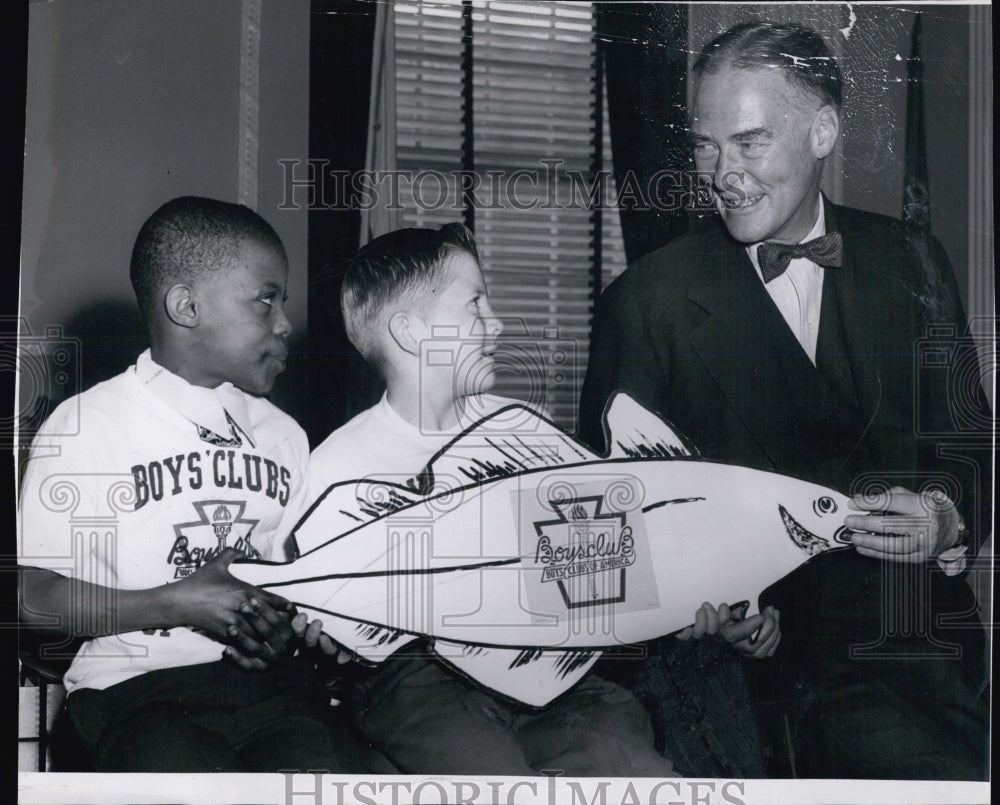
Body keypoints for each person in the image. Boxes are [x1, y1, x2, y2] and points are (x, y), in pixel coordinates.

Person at [579, 21, 991, 780]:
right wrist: (696, 612)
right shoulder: (646, 304)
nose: (722, 172)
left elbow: (975, 446)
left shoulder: (913, 257)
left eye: (750, 142)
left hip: (945, 654)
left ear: (824, 131)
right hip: (772, 682)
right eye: (707, 145)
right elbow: (608, 539)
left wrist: (947, 514)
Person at [306, 222, 678, 776]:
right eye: (474, 305)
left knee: (622, 750)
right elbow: (332, 625)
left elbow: (598, 572)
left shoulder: (526, 431)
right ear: (409, 332)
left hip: (533, 661)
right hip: (415, 680)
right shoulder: (338, 466)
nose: (496, 324)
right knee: (490, 775)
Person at [18, 196, 355, 773]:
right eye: (265, 300)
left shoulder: (284, 436)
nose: (284, 322)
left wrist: (282, 629)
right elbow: (32, 596)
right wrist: (176, 602)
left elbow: (293, 583)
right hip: (134, 691)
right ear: (186, 305)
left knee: (340, 775)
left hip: (271, 692)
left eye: (284, 301)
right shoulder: (88, 424)